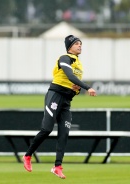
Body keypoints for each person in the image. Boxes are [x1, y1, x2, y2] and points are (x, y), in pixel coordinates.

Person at [23, 35, 96, 179]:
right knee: (47, 129)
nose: (80, 46)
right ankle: (28, 155)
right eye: (77, 44)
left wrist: (78, 89)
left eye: (81, 44)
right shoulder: (64, 57)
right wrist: (87, 87)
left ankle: (57, 166)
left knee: (64, 134)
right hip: (55, 96)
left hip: (66, 102)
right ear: (69, 47)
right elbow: (69, 76)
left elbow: (73, 86)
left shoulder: (79, 64)